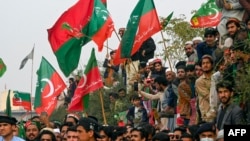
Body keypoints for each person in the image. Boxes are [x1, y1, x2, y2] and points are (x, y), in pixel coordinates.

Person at [195, 55, 216, 123]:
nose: (205, 65)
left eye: (207, 63)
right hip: (207, 115)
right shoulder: (199, 81)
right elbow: (210, 97)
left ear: (212, 65)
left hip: (218, 112)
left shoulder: (216, 77)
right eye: (203, 63)